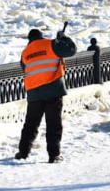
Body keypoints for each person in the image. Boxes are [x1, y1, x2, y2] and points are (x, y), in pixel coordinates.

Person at [15, 28, 76, 163]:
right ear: (41, 37)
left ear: (29, 39)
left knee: (30, 125)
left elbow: (25, 68)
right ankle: (54, 155)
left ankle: (23, 153)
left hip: (34, 93)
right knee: (53, 124)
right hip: (53, 90)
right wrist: (63, 38)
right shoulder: (51, 44)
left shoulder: (26, 52)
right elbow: (71, 50)